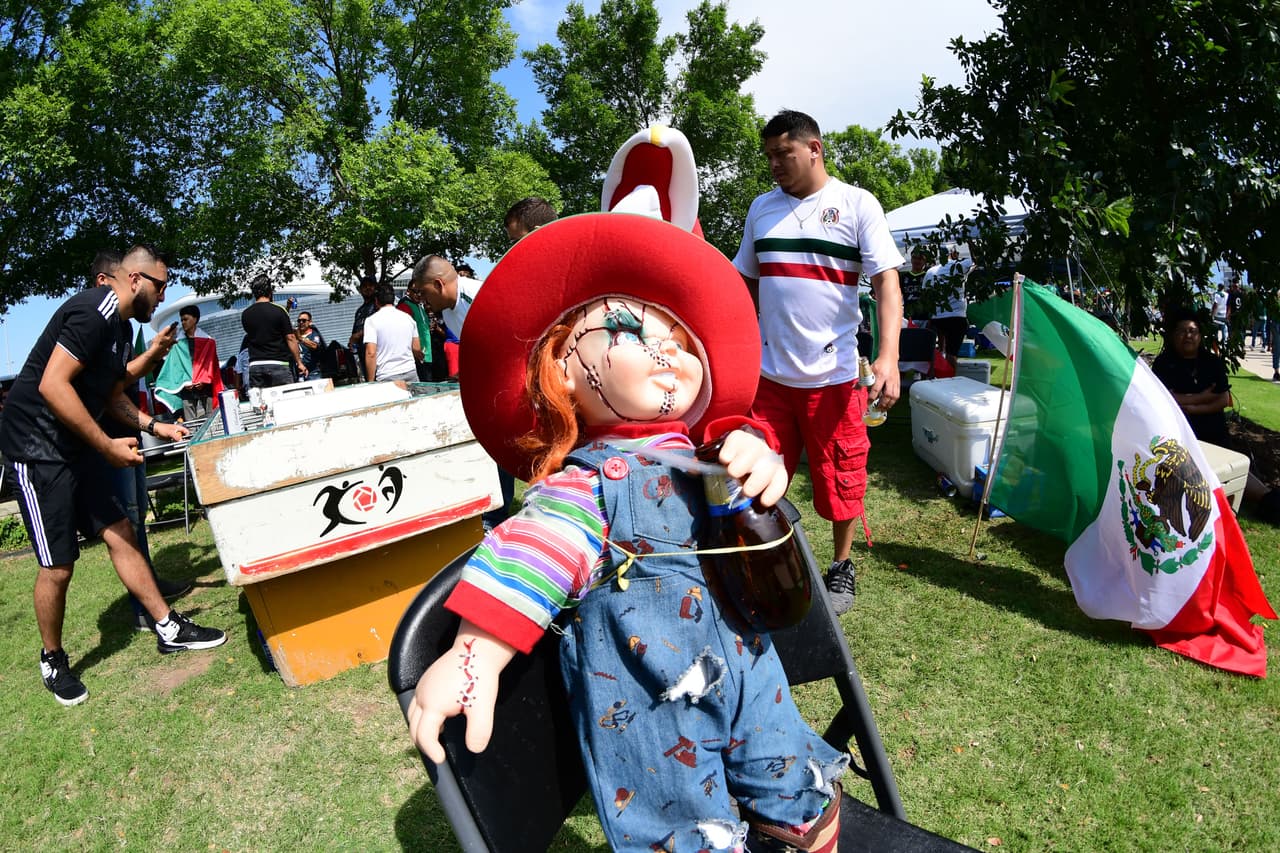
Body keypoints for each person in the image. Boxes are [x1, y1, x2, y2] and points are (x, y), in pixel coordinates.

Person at [408, 213, 849, 852]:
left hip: (754, 676)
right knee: (679, 823)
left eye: (683, 339)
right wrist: (475, 654)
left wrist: (760, 454)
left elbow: (756, 502)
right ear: (561, 368)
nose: (670, 348)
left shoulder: (708, 455)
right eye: (630, 328)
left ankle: (798, 818)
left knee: (791, 781)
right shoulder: (592, 484)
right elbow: (537, 549)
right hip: (649, 701)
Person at [0, 244, 227, 706]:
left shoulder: (122, 329)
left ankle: (167, 626)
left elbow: (108, 393)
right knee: (58, 564)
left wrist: (152, 425)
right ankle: (53, 657)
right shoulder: (96, 310)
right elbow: (51, 384)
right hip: (36, 449)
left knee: (121, 531)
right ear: (136, 279)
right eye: (161, 285)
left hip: (75, 442)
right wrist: (105, 445)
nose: (164, 296)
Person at [733, 109, 904, 616]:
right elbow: (744, 284)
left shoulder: (856, 204)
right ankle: (771, 557)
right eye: (768, 156)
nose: (774, 165)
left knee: (841, 477)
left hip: (833, 378)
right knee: (756, 475)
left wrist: (889, 356)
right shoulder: (762, 210)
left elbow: (886, 282)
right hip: (768, 378)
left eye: (783, 154)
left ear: (815, 149)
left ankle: (841, 565)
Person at [1152, 310, 1278, 518]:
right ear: (1173, 336)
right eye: (1182, 331)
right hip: (1181, 432)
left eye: (1193, 331)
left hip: (1213, 427)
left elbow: (1222, 399)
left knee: (1231, 464)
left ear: (1200, 336)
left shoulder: (1212, 362)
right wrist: (1202, 396)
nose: (1188, 335)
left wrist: (1188, 405)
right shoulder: (1163, 364)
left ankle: (1267, 500)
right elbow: (1162, 400)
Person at [154, 304, 224, 420]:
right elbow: (173, 367)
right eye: (182, 320)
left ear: (195, 319)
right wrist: (184, 382)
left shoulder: (209, 341)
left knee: (212, 419)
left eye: (186, 319)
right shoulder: (177, 344)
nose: (183, 322)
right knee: (190, 423)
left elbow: (212, 365)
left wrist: (205, 380)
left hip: (205, 386)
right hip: (186, 387)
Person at [241, 274, 306, 388]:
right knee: (285, 401)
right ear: (269, 291)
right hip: (278, 364)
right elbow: (290, 338)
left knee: (261, 404)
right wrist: (299, 363)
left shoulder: (246, 314)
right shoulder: (279, 311)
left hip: (255, 366)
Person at [362, 283, 422, 382]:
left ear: (376, 301)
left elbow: (370, 353)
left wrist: (370, 381)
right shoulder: (408, 318)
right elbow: (416, 348)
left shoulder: (371, 321)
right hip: (410, 372)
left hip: (387, 375)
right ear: (393, 299)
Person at [927, 245, 972, 367]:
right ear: (953, 254)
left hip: (937, 317)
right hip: (956, 317)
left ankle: (931, 378)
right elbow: (977, 259)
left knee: (933, 353)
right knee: (951, 354)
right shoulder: (959, 266)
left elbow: (926, 295)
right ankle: (951, 380)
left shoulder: (930, 271)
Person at [396, 282, 436, 382]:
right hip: (417, 356)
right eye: (415, 291)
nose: (419, 294)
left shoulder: (420, 306)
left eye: (421, 292)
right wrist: (414, 351)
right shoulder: (405, 306)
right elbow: (403, 332)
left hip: (426, 355)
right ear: (408, 291)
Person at [348, 275, 378, 380]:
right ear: (360, 290)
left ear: (375, 287)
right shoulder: (359, 311)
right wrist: (352, 342)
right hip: (362, 356)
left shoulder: (377, 305)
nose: (367, 288)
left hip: (376, 355)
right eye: (364, 286)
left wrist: (359, 334)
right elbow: (354, 334)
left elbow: (380, 324)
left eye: (370, 285)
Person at [900, 246, 931, 324]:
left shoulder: (929, 276)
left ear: (925, 260)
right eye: (914, 258)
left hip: (926, 319)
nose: (917, 261)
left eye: (920, 258)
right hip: (908, 319)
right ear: (911, 259)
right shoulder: (903, 277)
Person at [295, 310, 325, 379]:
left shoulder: (314, 334)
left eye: (304, 320)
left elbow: (314, 346)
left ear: (310, 322)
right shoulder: (294, 335)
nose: (301, 322)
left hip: (313, 372)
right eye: (299, 321)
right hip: (298, 372)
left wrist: (300, 338)